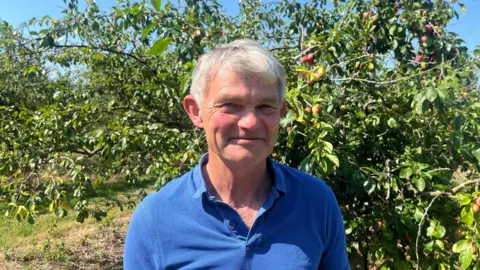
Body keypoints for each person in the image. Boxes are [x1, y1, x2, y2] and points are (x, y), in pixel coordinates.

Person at [124, 39, 350, 269]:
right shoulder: (156, 219)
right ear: (196, 112)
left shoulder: (316, 202)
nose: (251, 122)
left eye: (265, 107)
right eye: (230, 105)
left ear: (280, 112)